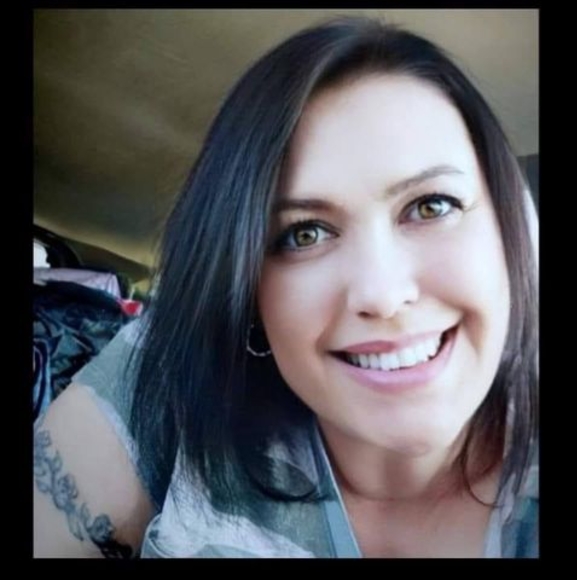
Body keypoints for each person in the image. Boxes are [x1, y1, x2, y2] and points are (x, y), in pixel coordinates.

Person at [33, 16, 538, 558]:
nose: (383, 295)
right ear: (248, 287)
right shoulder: (168, 377)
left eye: (432, 205)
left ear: (511, 228)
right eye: (304, 234)